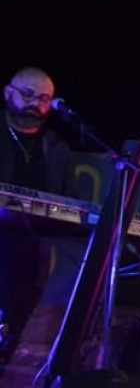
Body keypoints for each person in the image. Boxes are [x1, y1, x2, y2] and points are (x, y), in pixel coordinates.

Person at [0, 66, 73, 358]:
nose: (36, 104)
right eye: (27, 95)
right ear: (8, 93)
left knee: (13, 325)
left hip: (31, 249)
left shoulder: (56, 148)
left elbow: (67, 203)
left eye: (44, 99)